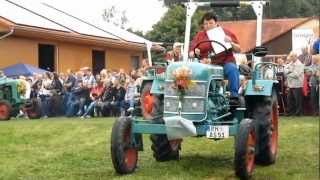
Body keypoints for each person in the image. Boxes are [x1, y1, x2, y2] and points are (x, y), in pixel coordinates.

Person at [189, 12, 241, 98]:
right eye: (205, 24)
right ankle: (197, 96)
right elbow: (191, 53)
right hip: (205, 65)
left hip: (224, 64)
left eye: (210, 23)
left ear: (216, 23)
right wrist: (194, 52)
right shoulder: (199, 35)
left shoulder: (225, 32)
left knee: (232, 69)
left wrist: (231, 42)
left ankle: (234, 96)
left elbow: (238, 49)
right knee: (192, 72)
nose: (208, 25)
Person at [284, 51, 305, 116]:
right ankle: (290, 112)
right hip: (290, 84)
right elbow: (285, 70)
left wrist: (289, 73)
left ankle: (298, 113)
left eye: (292, 56)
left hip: (297, 84)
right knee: (289, 99)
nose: (290, 58)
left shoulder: (300, 64)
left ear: (296, 56)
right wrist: (289, 72)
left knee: (297, 100)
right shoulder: (290, 63)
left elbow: (296, 75)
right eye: (290, 56)